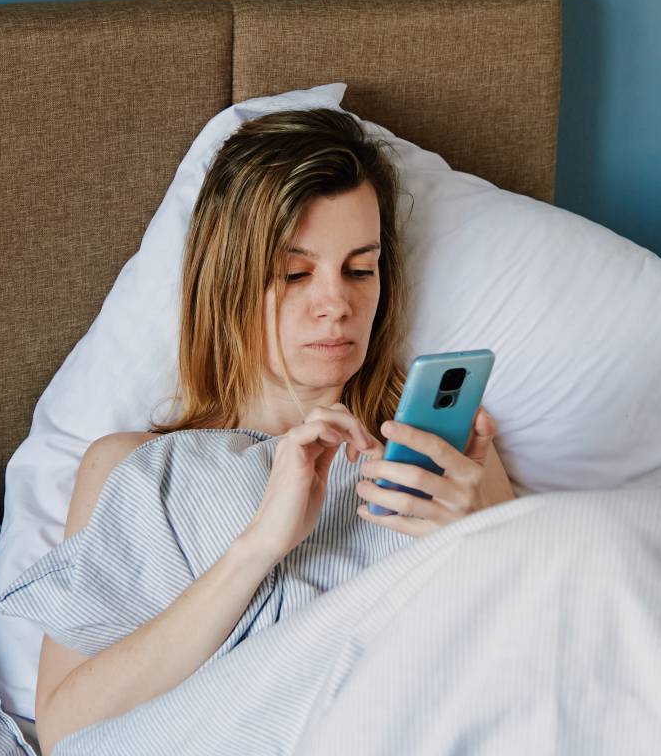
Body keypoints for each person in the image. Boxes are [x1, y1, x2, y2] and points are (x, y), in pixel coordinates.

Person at [31, 108, 521, 753]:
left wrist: (477, 539)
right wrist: (258, 546)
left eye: (360, 269)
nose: (336, 303)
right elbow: (64, 732)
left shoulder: (446, 456)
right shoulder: (138, 467)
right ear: (227, 280)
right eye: (295, 273)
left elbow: (540, 662)